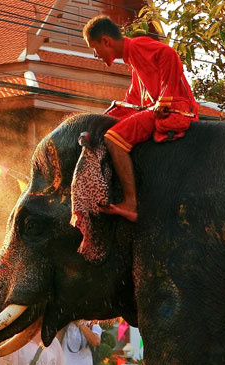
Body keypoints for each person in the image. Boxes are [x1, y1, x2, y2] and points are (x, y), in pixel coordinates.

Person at [83, 14, 198, 222]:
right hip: (156, 110)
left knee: (113, 140)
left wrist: (165, 99)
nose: (95, 54)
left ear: (106, 41)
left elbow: (169, 53)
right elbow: (133, 100)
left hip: (173, 111)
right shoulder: (132, 60)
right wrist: (101, 120)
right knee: (108, 126)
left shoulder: (137, 46)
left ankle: (130, 203)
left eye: (94, 48)